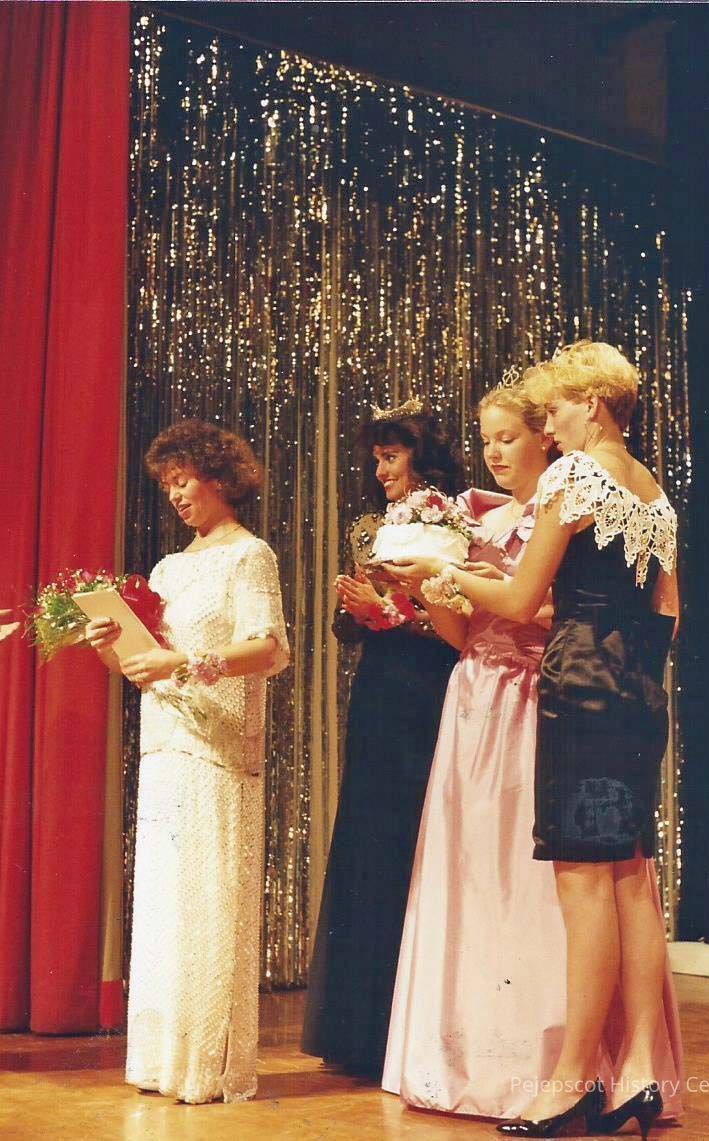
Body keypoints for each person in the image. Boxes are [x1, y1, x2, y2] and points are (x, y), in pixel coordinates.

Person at [381, 371, 683, 1125]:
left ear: (593, 404)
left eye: (554, 411)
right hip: (637, 688)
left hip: (578, 684)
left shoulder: (573, 477)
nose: (549, 428)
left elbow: (519, 602)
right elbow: (668, 612)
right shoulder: (652, 490)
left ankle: (571, 1078)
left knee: (584, 885)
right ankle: (640, 1071)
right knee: (629, 876)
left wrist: (445, 573)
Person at [85, 419, 289, 1104]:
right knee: (167, 905)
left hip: (218, 750)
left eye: (183, 480)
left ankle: (206, 1065)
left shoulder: (249, 555)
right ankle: (160, 1061)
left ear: (219, 478)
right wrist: (110, 644)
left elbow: (267, 649)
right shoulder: (169, 569)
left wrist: (185, 661)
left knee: (208, 900)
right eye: (167, 484)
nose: (174, 494)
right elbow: (144, 667)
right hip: (167, 746)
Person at [301, 399, 464, 1078]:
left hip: (427, 691)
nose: (380, 471)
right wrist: (360, 612)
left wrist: (395, 614)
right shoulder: (372, 528)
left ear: (423, 461)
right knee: (367, 838)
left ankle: (407, 1027)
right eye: (376, 459)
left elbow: (459, 628)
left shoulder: (456, 522)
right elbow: (349, 627)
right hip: (378, 692)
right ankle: (357, 1031)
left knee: (409, 838)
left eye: (390, 457)